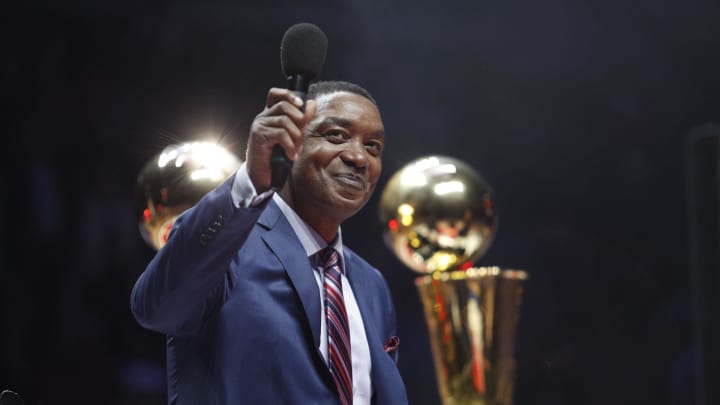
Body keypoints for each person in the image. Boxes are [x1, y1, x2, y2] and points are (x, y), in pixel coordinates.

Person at [130, 80, 408, 404]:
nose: (359, 157)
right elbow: (156, 309)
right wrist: (248, 180)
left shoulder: (372, 284)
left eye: (373, 146)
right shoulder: (228, 246)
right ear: (289, 142)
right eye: (337, 136)